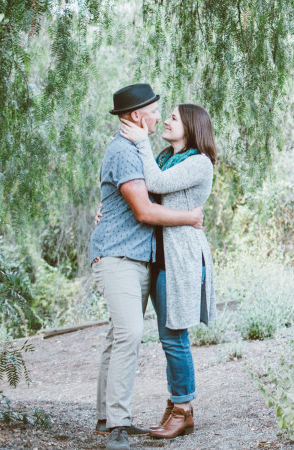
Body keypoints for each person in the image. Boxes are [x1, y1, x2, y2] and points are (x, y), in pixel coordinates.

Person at [91, 83, 204, 450]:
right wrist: (189, 217)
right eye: (156, 110)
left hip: (143, 259)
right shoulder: (126, 151)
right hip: (121, 257)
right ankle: (118, 426)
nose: (160, 116)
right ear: (138, 115)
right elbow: (143, 209)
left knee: (120, 336)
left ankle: (108, 418)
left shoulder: (152, 154)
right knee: (129, 334)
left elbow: (148, 190)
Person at [118, 103, 217, 440]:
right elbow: (142, 191)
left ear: (190, 127)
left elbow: (156, 182)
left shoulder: (198, 164)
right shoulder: (163, 157)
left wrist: (140, 141)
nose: (167, 120)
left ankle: (183, 410)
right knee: (169, 336)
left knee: (174, 336)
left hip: (182, 259)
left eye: (174, 117)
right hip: (161, 258)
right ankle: (177, 403)